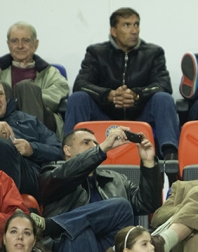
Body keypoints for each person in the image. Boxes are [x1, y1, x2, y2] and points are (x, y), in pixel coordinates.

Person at [38, 126, 161, 252]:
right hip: (70, 246)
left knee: (122, 206)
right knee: (80, 231)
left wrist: (148, 162)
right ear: (67, 150)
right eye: (86, 142)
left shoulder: (117, 180)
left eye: (96, 143)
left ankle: (53, 225)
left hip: (112, 245)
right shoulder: (53, 174)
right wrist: (102, 149)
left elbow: (148, 204)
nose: (94, 146)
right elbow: (65, 176)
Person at [64, 7, 179, 160]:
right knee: (77, 98)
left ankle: (170, 159)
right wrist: (108, 95)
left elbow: (164, 84)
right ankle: (68, 158)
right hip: (104, 115)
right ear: (114, 31)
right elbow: (81, 84)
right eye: (126, 25)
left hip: (140, 115)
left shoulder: (153, 53)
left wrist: (137, 94)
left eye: (136, 24)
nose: (134, 31)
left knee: (164, 98)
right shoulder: (96, 52)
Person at [0, 78, 62, 197]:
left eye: (0, 94)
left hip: (25, 175)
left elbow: (59, 150)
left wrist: (32, 148)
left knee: (2, 145)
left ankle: (7, 204)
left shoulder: (28, 120)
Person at [0, 21, 69, 134]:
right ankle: (3, 138)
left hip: (42, 124)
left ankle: (33, 139)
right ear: (8, 44)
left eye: (25, 40)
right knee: (1, 87)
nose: (20, 46)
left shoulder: (49, 72)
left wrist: (25, 97)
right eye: (14, 41)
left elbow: (60, 90)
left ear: (35, 44)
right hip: (3, 123)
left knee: (26, 87)